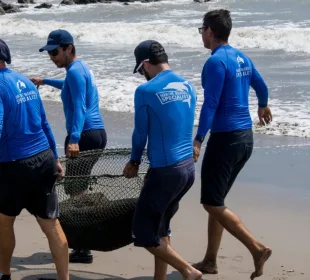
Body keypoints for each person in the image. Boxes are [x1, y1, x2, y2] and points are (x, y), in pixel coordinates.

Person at [192, 9, 273, 280]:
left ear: (210, 32)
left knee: (212, 203)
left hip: (225, 139)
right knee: (217, 200)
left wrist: (199, 138)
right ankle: (210, 261)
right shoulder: (242, 57)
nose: (201, 34)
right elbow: (261, 86)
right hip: (245, 139)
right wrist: (262, 105)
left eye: (201, 29)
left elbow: (211, 104)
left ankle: (256, 248)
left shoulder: (216, 62)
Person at [123, 40, 202, 280]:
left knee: (143, 233)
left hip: (166, 172)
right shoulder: (188, 85)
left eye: (140, 70)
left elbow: (140, 133)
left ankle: (189, 271)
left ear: (145, 64)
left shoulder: (146, 91)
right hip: (187, 169)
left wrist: (134, 161)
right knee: (161, 227)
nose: (142, 75)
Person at [31, 29, 107, 264]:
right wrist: (45, 81)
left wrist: (73, 138)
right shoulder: (79, 68)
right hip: (96, 133)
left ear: (69, 49)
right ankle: (85, 242)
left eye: (55, 51)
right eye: (49, 52)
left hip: (84, 134)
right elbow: (69, 86)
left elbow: (79, 107)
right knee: (78, 187)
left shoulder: (74, 72)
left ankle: (84, 247)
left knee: (76, 190)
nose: (51, 56)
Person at [0, 39, 69, 280]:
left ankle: (5, 274)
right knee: (51, 224)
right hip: (44, 159)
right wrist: (56, 158)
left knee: (4, 221)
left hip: (15, 165)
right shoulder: (25, 82)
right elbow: (44, 122)